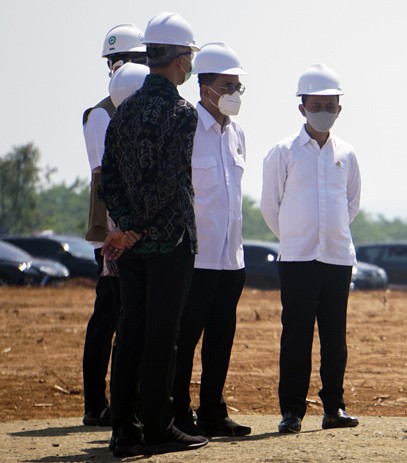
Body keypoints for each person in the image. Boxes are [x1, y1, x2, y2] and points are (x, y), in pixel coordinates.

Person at [100, 11, 208, 457]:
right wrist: (140, 228)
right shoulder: (182, 112)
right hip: (168, 242)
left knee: (130, 334)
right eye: (189, 59)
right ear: (180, 60)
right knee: (164, 336)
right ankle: (159, 427)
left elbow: (109, 179)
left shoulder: (122, 112)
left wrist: (125, 229)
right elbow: (169, 182)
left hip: (133, 247)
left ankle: (125, 430)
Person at [260, 63, 362, 434]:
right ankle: (291, 412)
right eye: (315, 105)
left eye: (330, 105)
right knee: (296, 336)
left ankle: (334, 408)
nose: (323, 111)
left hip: (337, 258)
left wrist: (329, 233)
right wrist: (294, 236)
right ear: (301, 107)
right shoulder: (283, 151)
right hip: (298, 259)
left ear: (340, 108)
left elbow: (351, 203)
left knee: (335, 335)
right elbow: (270, 206)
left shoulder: (347, 153)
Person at [171, 41, 251, 438]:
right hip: (195, 258)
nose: (235, 94)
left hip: (230, 258)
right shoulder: (186, 127)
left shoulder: (237, 133)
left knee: (221, 338)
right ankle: (178, 413)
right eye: (228, 86)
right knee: (184, 340)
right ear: (205, 88)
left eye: (239, 86)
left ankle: (212, 412)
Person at [81, 23, 146, 428]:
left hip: (131, 230)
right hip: (113, 231)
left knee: (123, 315)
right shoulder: (101, 114)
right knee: (110, 316)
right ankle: (96, 403)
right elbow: (105, 178)